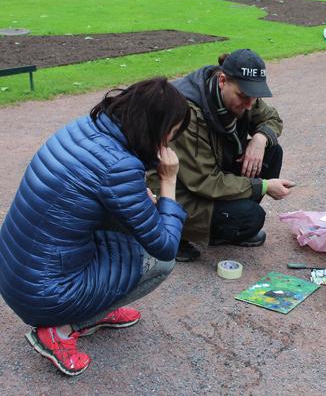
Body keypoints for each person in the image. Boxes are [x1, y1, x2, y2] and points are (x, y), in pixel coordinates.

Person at [0, 78, 190, 376]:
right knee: (160, 262)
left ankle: (94, 307)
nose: (169, 143)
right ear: (155, 127)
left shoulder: (88, 127)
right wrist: (168, 180)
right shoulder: (119, 166)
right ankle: (61, 330)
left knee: (134, 227)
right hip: (43, 292)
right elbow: (166, 245)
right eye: (172, 133)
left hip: (15, 270)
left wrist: (138, 196)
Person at [150, 49, 293, 262]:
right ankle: (175, 232)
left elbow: (272, 118)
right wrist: (262, 186)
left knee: (272, 152)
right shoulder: (187, 111)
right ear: (222, 80)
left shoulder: (245, 94)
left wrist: (260, 138)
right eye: (243, 96)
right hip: (173, 188)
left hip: (208, 166)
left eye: (254, 97)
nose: (249, 105)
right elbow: (205, 181)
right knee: (249, 217)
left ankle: (225, 225)